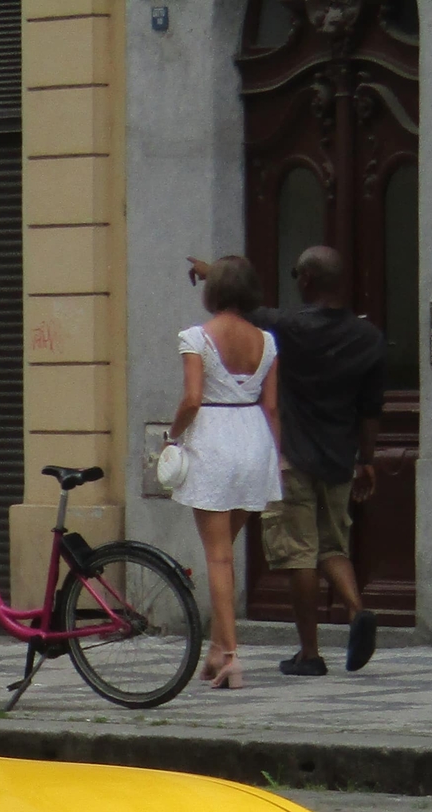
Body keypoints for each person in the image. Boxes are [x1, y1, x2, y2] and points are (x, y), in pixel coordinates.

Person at [251, 246, 386, 676]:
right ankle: (357, 609)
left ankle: (309, 654)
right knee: (332, 545)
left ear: (307, 280)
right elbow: (370, 411)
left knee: (298, 555)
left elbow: (244, 303)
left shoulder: (289, 327)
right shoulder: (368, 339)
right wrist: (366, 461)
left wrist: (210, 271)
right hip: (338, 458)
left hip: (293, 456)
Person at [165, 255, 282, 690]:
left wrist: (171, 436)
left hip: (213, 440)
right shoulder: (266, 341)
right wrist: (277, 456)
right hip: (253, 441)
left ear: (213, 291)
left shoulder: (197, 337)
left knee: (218, 557)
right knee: (226, 554)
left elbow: (192, 398)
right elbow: (271, 406)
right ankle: (217, 649)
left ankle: (231, 655)